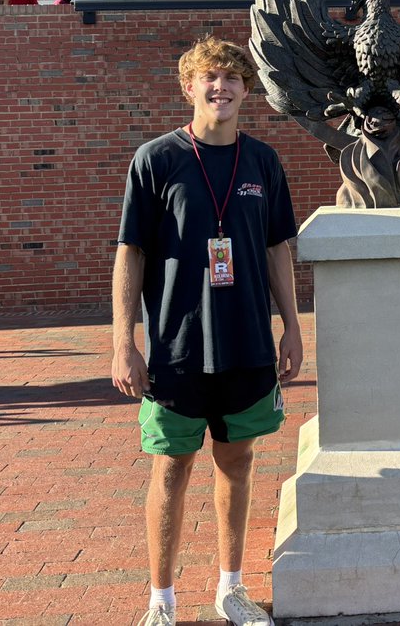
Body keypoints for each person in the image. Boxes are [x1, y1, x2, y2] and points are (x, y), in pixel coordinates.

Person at [111, 36, 303, 626]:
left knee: (237, 462)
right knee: (170, 466)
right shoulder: (156, 159)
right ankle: (161, 601)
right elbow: (131, 253)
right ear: (188, 87)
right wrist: (124, 340)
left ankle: (230, 589)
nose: (220, 87)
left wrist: (293, 326)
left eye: (232, 79)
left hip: (245, 341)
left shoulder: (263, 162)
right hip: (175, 345)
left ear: (249, 91)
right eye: (208, 78)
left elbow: (277, 248)